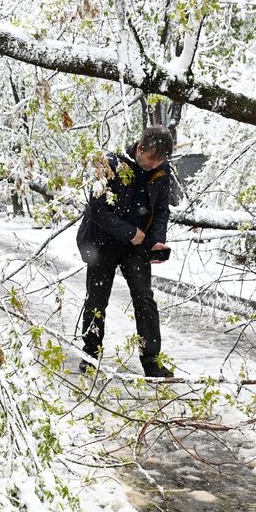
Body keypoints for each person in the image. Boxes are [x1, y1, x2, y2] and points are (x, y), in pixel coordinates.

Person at [75, 126, 174, 377]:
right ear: (140, 148)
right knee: (97, 300)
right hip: (103, 243)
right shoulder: (110, 164)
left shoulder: (162, 172)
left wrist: (157, 241)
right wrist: (131, 233)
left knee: (145, 300)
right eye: (152, 158)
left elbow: (161, 211)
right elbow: (97, 210)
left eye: (160, 160)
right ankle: (91, 356)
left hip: (138, 247)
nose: (154, 164)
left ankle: (152, 362)